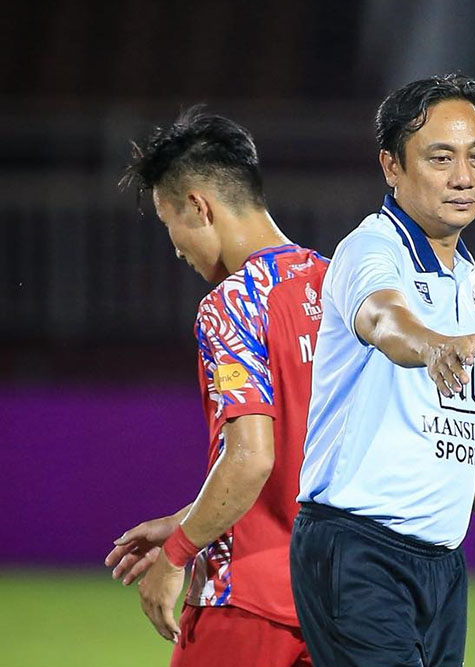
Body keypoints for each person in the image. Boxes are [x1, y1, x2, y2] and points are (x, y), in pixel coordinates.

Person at [290, 73, 475, 666]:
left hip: (441, 566)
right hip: (359, 550)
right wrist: (429, 344)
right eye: (441, 159)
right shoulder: (372, 249)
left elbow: (460, 431)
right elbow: (384, 320)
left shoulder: (465, 275)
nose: (464, 177)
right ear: (391, 166)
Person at [105, 107, 328, 666]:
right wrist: (185, 518)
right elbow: (298, 470)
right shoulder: (344, 287)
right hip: (341, 601)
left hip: (245, 599)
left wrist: (177, 556)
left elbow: (252, 459)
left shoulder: (232, 304)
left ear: (199, 207)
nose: (175, 247)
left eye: (168, 223)